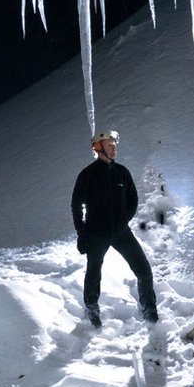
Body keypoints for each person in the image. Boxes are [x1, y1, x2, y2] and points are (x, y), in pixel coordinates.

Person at [70, 130, 159, 327]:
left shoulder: (122, 173)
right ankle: (92, 310)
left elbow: (133, 200)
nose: (114, 147)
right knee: (93, 273)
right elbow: (76, 205)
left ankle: (150, 313)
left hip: (121, 233)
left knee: (144, 271)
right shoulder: (87, 175)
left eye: (114, 144)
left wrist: (122, 222)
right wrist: (82, 233)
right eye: (109, 144)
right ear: (98, 148)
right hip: (96, 234)